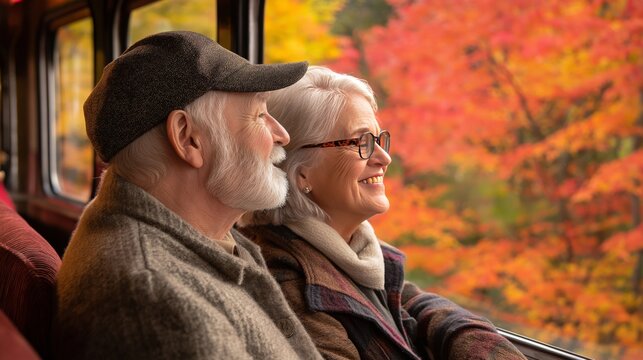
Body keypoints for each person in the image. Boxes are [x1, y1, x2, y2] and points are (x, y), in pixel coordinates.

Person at [53, 31, 323, 359]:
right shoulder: (158, 304)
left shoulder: (201, 238)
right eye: (258, 115)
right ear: (187, 138)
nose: (282, 135)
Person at [240, 66, 527, 360]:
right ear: (302, 175)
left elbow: (416, 306)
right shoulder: (288, 287)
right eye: (361, 142)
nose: (384, 158)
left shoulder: (361, 255)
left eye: (378, 140)